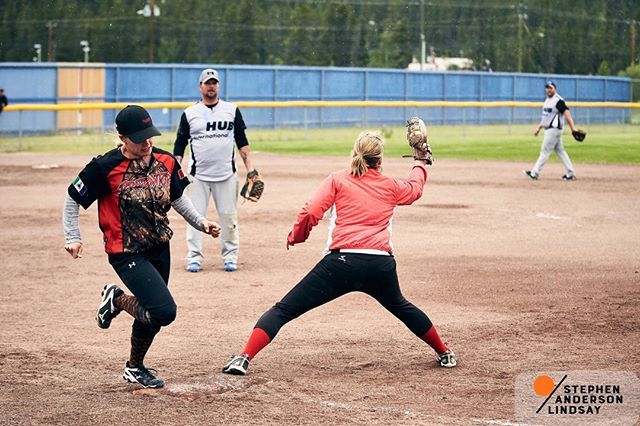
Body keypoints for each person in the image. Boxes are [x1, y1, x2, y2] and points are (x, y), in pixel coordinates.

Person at [221, 130, 457, 376]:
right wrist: (419, 162)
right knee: (402, 307)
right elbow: (414, 188)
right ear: (380, 160)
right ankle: (444, 352)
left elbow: (312, 211)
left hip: (340, 264)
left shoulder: (338, 179)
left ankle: (243, 358)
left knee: (284, 310)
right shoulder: (390, 186)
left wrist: (297, 236)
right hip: (379, 266)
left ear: (355, 154)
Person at [63, 105, 221, 388]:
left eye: (150, 136)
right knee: (163, 311)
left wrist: (201, 222)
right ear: (122, 137)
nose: (147, 143)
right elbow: (73, 196)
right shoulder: (104, 167)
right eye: (139, 138)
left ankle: (135, 367)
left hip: (160, 246)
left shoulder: (165, 160)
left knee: (152, 314)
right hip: (126, 252)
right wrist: (73, 236)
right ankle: (117, 299)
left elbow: (176, 198)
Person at [173, 68, 257, 273]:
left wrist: (251, 170)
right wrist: (174, 172)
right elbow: (179, 144)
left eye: (214, 82)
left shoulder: (231, 110)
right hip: (198, 176)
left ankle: (230, 256)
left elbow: (242, 142)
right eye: (207, 82)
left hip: (226, 174)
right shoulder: (190, 113)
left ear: (218, 85)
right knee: (194, 216)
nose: (211, 86)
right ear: (200, 86)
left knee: (228, 217)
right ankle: (194, 257)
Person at [524, 81, 579, 181]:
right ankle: (570, 173)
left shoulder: (558, 101)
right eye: (547, 88)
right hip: (551, 130)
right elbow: (546, 118)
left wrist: (573, 128)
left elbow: (567, 114)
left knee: (545, 151)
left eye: (551, 88)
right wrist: (539, 127)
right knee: (560, 151)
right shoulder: (547, 100)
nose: (548, 90)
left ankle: (534, 173)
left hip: (553, 130)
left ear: (555, 89)